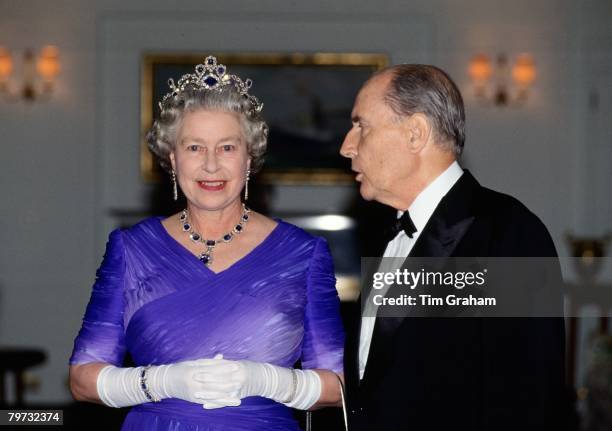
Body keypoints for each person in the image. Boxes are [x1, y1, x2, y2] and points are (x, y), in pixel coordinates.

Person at [69, 56, 344, 431]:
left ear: (249, 159)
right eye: (195, 147)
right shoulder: (130, 248)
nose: (211, 165)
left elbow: (339, 386)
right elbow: (82, 379)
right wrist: (159, 382)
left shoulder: (303, 253)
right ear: (172, 158)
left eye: (227, 148)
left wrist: (268, 380)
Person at [339, 64, 566, 430]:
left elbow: (529, 400)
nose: (346, 146)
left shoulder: (506, 234)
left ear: (416, 133)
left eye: (361, 125)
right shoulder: (387, 234)